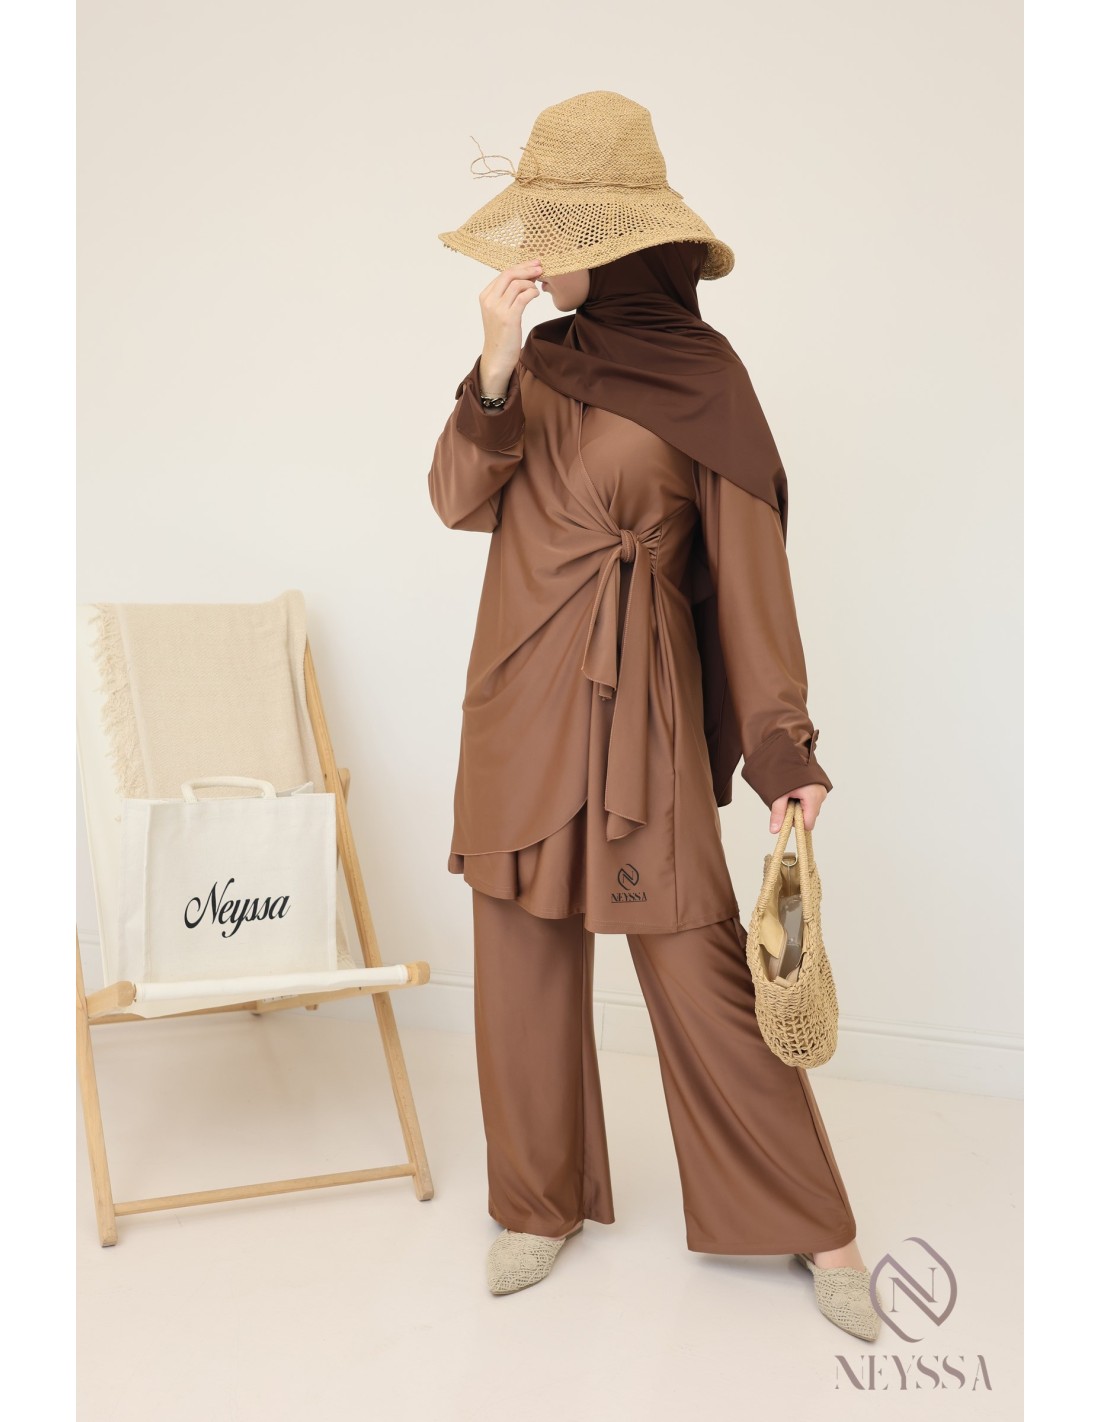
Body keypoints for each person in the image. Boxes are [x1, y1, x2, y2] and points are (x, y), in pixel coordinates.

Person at [428, 91, 881, 1342]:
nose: (537, 252)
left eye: (559, 230)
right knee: (520, 963)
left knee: (696, 963)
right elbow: (457, 499)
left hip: (643, 718)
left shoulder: (705, 381)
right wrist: (493, 366)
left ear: (621, 244)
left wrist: (782, 744)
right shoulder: (533, 367)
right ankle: (535, 1205)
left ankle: (814, 1223)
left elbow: (751, 578)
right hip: (517, 700)